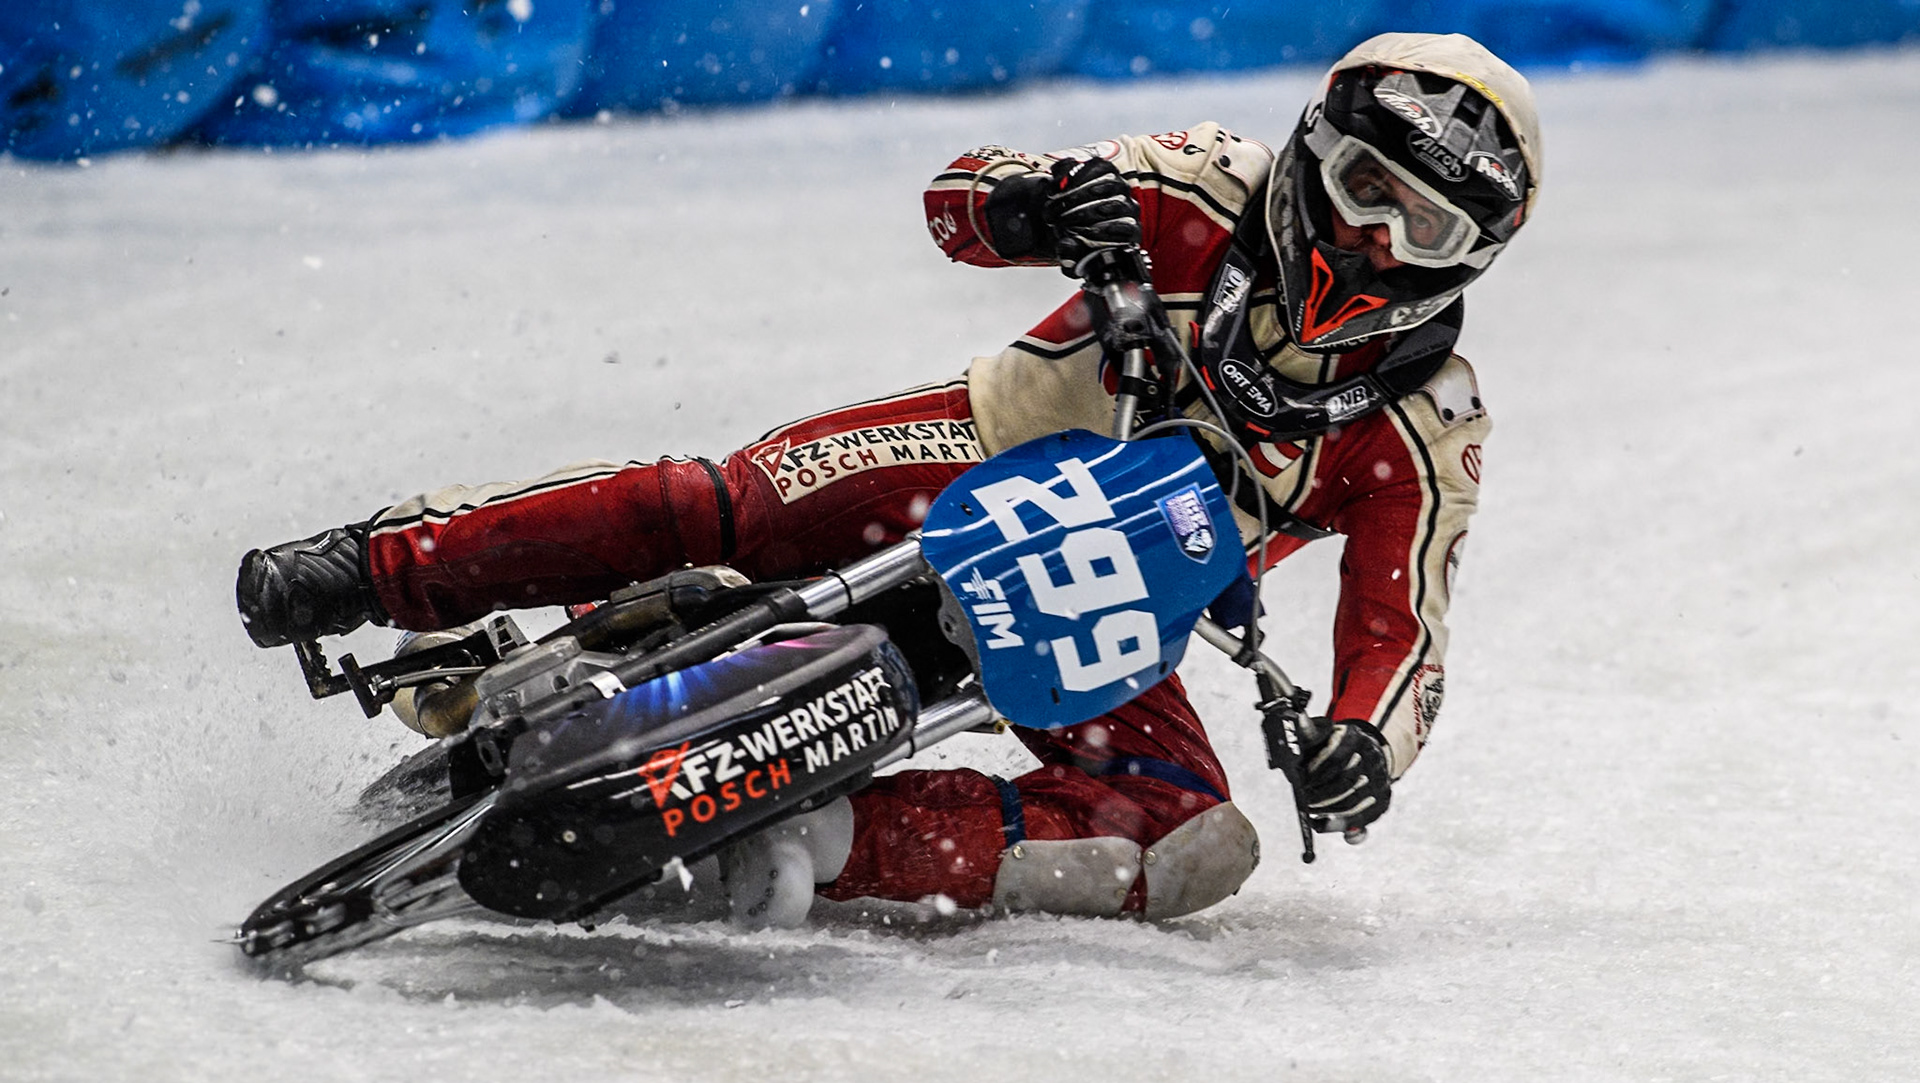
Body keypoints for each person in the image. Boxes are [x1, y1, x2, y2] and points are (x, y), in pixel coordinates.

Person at [236, 32, 1542, 928]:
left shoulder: (1428, 428)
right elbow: (961, 193)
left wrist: (1362, 746)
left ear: (1473, 260)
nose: (1376, 239)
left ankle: (822, 844)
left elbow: (1404, 628)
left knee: (1193, 839)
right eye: (1370, 187)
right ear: (1315, 147)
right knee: (726, 502)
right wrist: (1037, 210)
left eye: (1427, 227)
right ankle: (384, 566)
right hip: (969, 448)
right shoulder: (1203, 179)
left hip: (1099, 615)